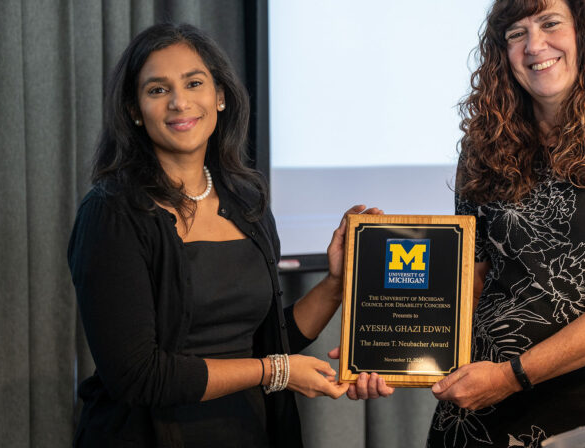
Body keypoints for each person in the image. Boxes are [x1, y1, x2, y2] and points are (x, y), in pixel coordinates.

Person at [68, 23, 387, 448]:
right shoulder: (111, 212)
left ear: (219, 96)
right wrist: (275, 371)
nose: (180, 102)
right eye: (157, 90)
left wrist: (335, 284)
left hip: (248, 431)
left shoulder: (246, 200)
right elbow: (138, 375)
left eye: (194, 83)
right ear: (134, 111)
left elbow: (265, 342)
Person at [426, 0, 585, 446]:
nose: (534, 45)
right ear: (501, 54)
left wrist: (510, 377)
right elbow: (473, 282)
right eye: (516, 34)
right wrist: (399, 351)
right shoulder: (482, 150)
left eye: (549, 24)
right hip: (480, 413)